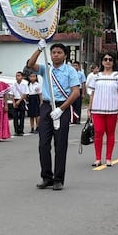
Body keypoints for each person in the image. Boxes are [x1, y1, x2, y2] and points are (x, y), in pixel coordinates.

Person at [26, 41, 82, 191]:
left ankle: (58, 179)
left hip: (61, 107)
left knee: (60, 145)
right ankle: (46, 177)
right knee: (43, 144)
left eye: (59, 52)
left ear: (64, 55)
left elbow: (76, 92)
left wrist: (61, 109)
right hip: (45, 107)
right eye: (53, 52)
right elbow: (31, 64)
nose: (56, 55)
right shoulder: (46, 69)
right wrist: (39, 49)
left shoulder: (70, 71)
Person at [86, 53, 118, 167]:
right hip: (97, 109)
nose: (108, 61)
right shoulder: (96, 77)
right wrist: (89, 109)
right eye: (105, 59)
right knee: (98, 133)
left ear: (113, 62)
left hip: (112, 109)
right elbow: (92, 94)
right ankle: (98, 158)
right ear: (102, 61)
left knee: (110, 133)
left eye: (110, 59)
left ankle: (109, 158)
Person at [7, 70, 29, 136]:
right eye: (16, 76)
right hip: (15, 100)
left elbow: (25, 94)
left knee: (22, 116)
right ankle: (16, 130)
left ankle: (21, 130)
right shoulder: (13, 85)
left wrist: (19, 101)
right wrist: (14, 102)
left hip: (21, 100)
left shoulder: (24, 84)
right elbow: (12, 94)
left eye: (19, 76)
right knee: (15, 117)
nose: (17, 77)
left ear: (22, 77)